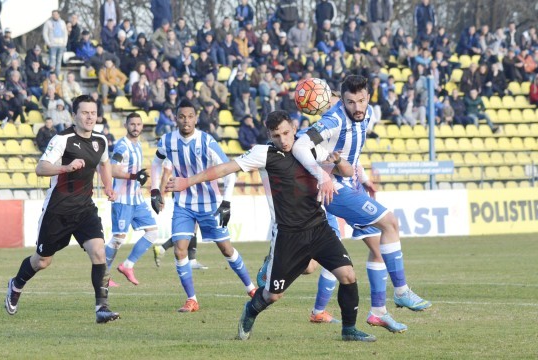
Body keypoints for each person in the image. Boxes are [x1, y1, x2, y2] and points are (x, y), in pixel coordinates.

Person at [167, 110, 376, 342]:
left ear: (295, 129)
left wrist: (337, 159)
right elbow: (225, 169)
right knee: (273, 295)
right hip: (288, 234)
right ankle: (250, 310)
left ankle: (349, 330)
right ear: (270, 134)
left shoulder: (310, 149)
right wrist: (187, 181)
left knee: (347, 275)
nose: (283, 140)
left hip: (319, 227)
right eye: (277, 135)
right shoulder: (263, 153)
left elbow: (347, 171)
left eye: (286, 133)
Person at [291, 75, 432, 327]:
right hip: (336, 189)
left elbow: (351, 153)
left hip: (353, 184)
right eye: (350, 102)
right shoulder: (333, 119)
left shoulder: (366, 114)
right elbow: (300, 145)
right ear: (341, 100)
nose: (357, 107)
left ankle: (378, 311)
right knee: (390, 223)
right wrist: (321, 174)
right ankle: (401, 291)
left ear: (368, 98)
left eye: (361, 101)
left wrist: (363, 177)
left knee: (378, 248)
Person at [4, 95, 119, 323]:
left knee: (99, 252)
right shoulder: (62, 139)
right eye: (84, 113)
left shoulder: (101, 141)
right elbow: (40, 168)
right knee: (42, 261)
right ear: (73, 115)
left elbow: (104, 164)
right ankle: (16, 285)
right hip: (58, 210)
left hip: (85, 208)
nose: (89, 117)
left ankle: (101, 308)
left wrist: (108, 186)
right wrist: (66, 167)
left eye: (93, 113)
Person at [150, 99, 256, 312]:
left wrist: (226, 202)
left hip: (209, 204)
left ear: (196, 118)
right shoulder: (167, 141)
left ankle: (252, 288)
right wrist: (154, 189)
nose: (186, 121)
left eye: (190, 116)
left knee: (226, 248)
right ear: (176, 118)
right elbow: (156, 163)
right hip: (183, 205)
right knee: (180, 250)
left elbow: (230, 171)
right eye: (182, 116)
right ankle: (192, 299)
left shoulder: (207, 141)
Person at [103, 112, 159, 287]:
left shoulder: (139, 144)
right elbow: (112, 169)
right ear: (127, 125)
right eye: (132, 124)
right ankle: (102, 276)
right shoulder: (122, 146)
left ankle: (128, 265)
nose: (136, 127)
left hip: (137, 199)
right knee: (118, 239)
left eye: (139, 124)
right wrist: (134, 176)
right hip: (122, 199)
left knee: (153, 232)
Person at [43, 10, 68, 74]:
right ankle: (51, 76)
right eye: (53, 14)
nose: (55, 16)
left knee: (59, 61)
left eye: (56, 14)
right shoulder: (48, 22)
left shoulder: (62, 22)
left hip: (61, 45)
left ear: (59, 15)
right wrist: (48, 43)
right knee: (52, 61)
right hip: (53, 45)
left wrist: (64, 43)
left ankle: (57, 76)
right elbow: (45, 33)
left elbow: (65, 33)